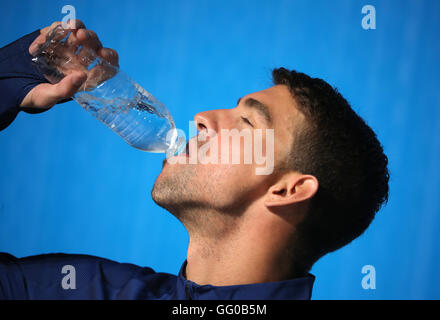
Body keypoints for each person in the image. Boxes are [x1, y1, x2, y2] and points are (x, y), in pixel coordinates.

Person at [0, 21, 389, 300]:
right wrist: (14, 78)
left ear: (288, 189)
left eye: (248, 122)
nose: (202, 118)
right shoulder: (89, 289)